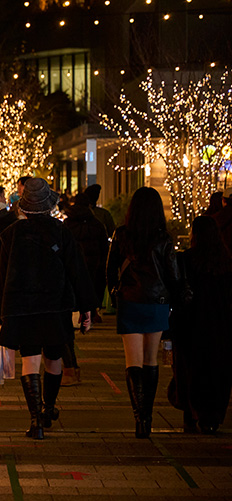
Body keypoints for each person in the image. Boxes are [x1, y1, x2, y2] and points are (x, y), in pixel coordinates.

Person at [0, 178, 96, 440]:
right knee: (54, 358)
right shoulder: (62, 232)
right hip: (55, 305)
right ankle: (48, 408)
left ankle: (35, 420)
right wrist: (86, 308)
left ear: (24, 207)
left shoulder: (12, 234)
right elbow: (77, 271)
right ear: (50, 206)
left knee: (30, 359)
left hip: (22, 306)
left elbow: (1, 276)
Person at [106, 186, 180, 438]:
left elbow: (109, 268)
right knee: (151, 361)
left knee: (132, 362)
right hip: (157, 303)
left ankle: (141, 419)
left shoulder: (122, 235)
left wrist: (115, 293)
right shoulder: (164, 238)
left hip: (130, 302)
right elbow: (174, 276)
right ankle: (147, 413)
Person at [172, 216, 232, 434]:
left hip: (191, 323)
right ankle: (213, 415)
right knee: (218, 370)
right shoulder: (226, 261)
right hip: (221, 324)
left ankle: (191, 413)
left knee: (189, 369)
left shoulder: (187, 259)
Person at [61, 190, 110, 385]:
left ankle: (70, 368)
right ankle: (88, 317)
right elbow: (104, 249)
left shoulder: (67, 225)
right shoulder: (97, 224)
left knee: (66, 319)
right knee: (87, 298)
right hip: (93, 269)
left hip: (70, 275)